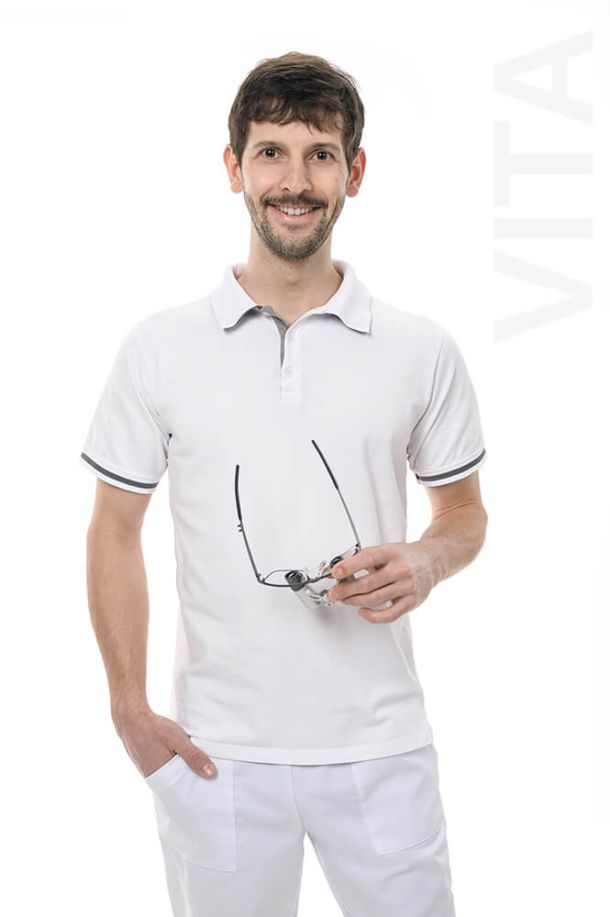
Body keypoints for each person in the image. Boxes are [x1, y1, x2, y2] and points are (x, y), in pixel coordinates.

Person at [80, 51, 488, 917]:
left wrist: (426, 560)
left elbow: (463, 511)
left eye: (320, 154)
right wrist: (128, 710)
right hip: (216, 756)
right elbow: (114, 528)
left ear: (354, 172)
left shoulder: (420, 349)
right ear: (234, 167)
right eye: (271, 152)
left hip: (382, 748)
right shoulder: (159, 349)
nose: (295, 181)